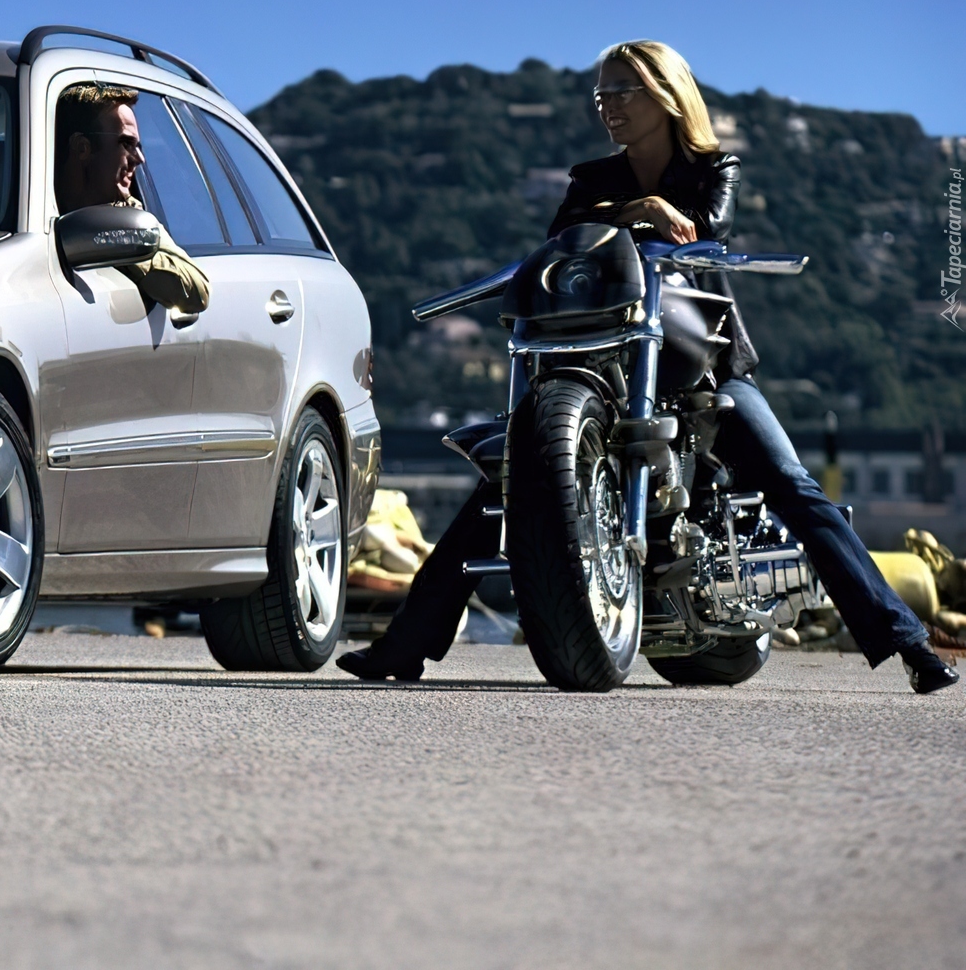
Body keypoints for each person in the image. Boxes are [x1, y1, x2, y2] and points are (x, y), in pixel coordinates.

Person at [338, 40, 957, 694]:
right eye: (600, 93)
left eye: (622, 91)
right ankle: (403, 646)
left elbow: (706, 228)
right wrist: (643, 210)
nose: (607, 105)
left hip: (702, 364)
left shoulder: (714, 168)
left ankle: (907, 643)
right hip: (608, 367)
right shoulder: (591, 180)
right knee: (512, 473)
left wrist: (648, 216)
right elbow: (564, 239)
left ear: (664, 95)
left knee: (792, 482)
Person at [53, 83, 210, 316]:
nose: (140, 159)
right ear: (82, 148)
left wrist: (115, 240)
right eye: (127, 144)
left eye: (138, 146)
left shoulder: (129, 217)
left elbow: (197, 291)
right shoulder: (17, 214)